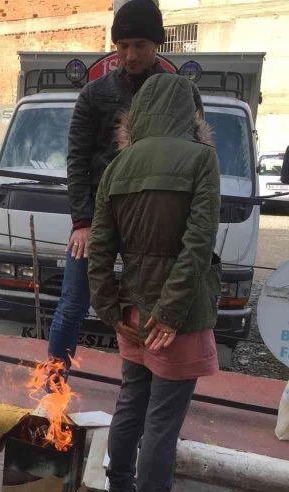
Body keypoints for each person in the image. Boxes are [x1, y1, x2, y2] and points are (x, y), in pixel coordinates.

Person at [88, 73, 221, 492]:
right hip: (178, 317)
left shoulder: (118, 167)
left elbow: (99, 247)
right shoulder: (202, 158)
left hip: (131, 307)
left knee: (130, 404)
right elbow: (198, 244)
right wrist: (170, 311)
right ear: (190, 114)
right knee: (163, 422)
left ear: (137, 115)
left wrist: (108, 307)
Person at [47, 0, 168, 377]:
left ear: (156, 45)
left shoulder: (176, 94)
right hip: (98, 216)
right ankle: (52, 383)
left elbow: (193, 157)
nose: (130, 55)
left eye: (140, 46)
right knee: (73, 302)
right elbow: (77, 160)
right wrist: (81, 221)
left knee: (150, 304)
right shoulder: (94, 94)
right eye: (123, 45)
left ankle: (143, 388)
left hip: (151, 217)